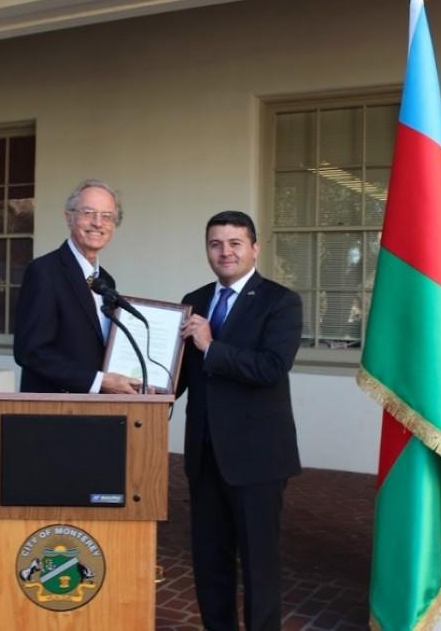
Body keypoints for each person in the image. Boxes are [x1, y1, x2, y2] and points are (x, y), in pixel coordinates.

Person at [177, 210, 302, 631]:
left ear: (254, 248)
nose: (225, 252)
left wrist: (210, 347)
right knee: (210, 563)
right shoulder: (193, 299)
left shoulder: (281, 301)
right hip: (205, 454)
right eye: (216, 244)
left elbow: (271, 367)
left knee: (259, 567)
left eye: (234, 243)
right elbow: (177, 377)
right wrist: (135, 384)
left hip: (258, 460)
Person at [13, 179, 140, 394]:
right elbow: (31, 351)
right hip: (55, 412)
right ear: (69, 218)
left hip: (99, 412)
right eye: (88, 213)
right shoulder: (44, 272)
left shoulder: (106, 281)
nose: (98, 223)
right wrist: (99, 382)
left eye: (107, 216)